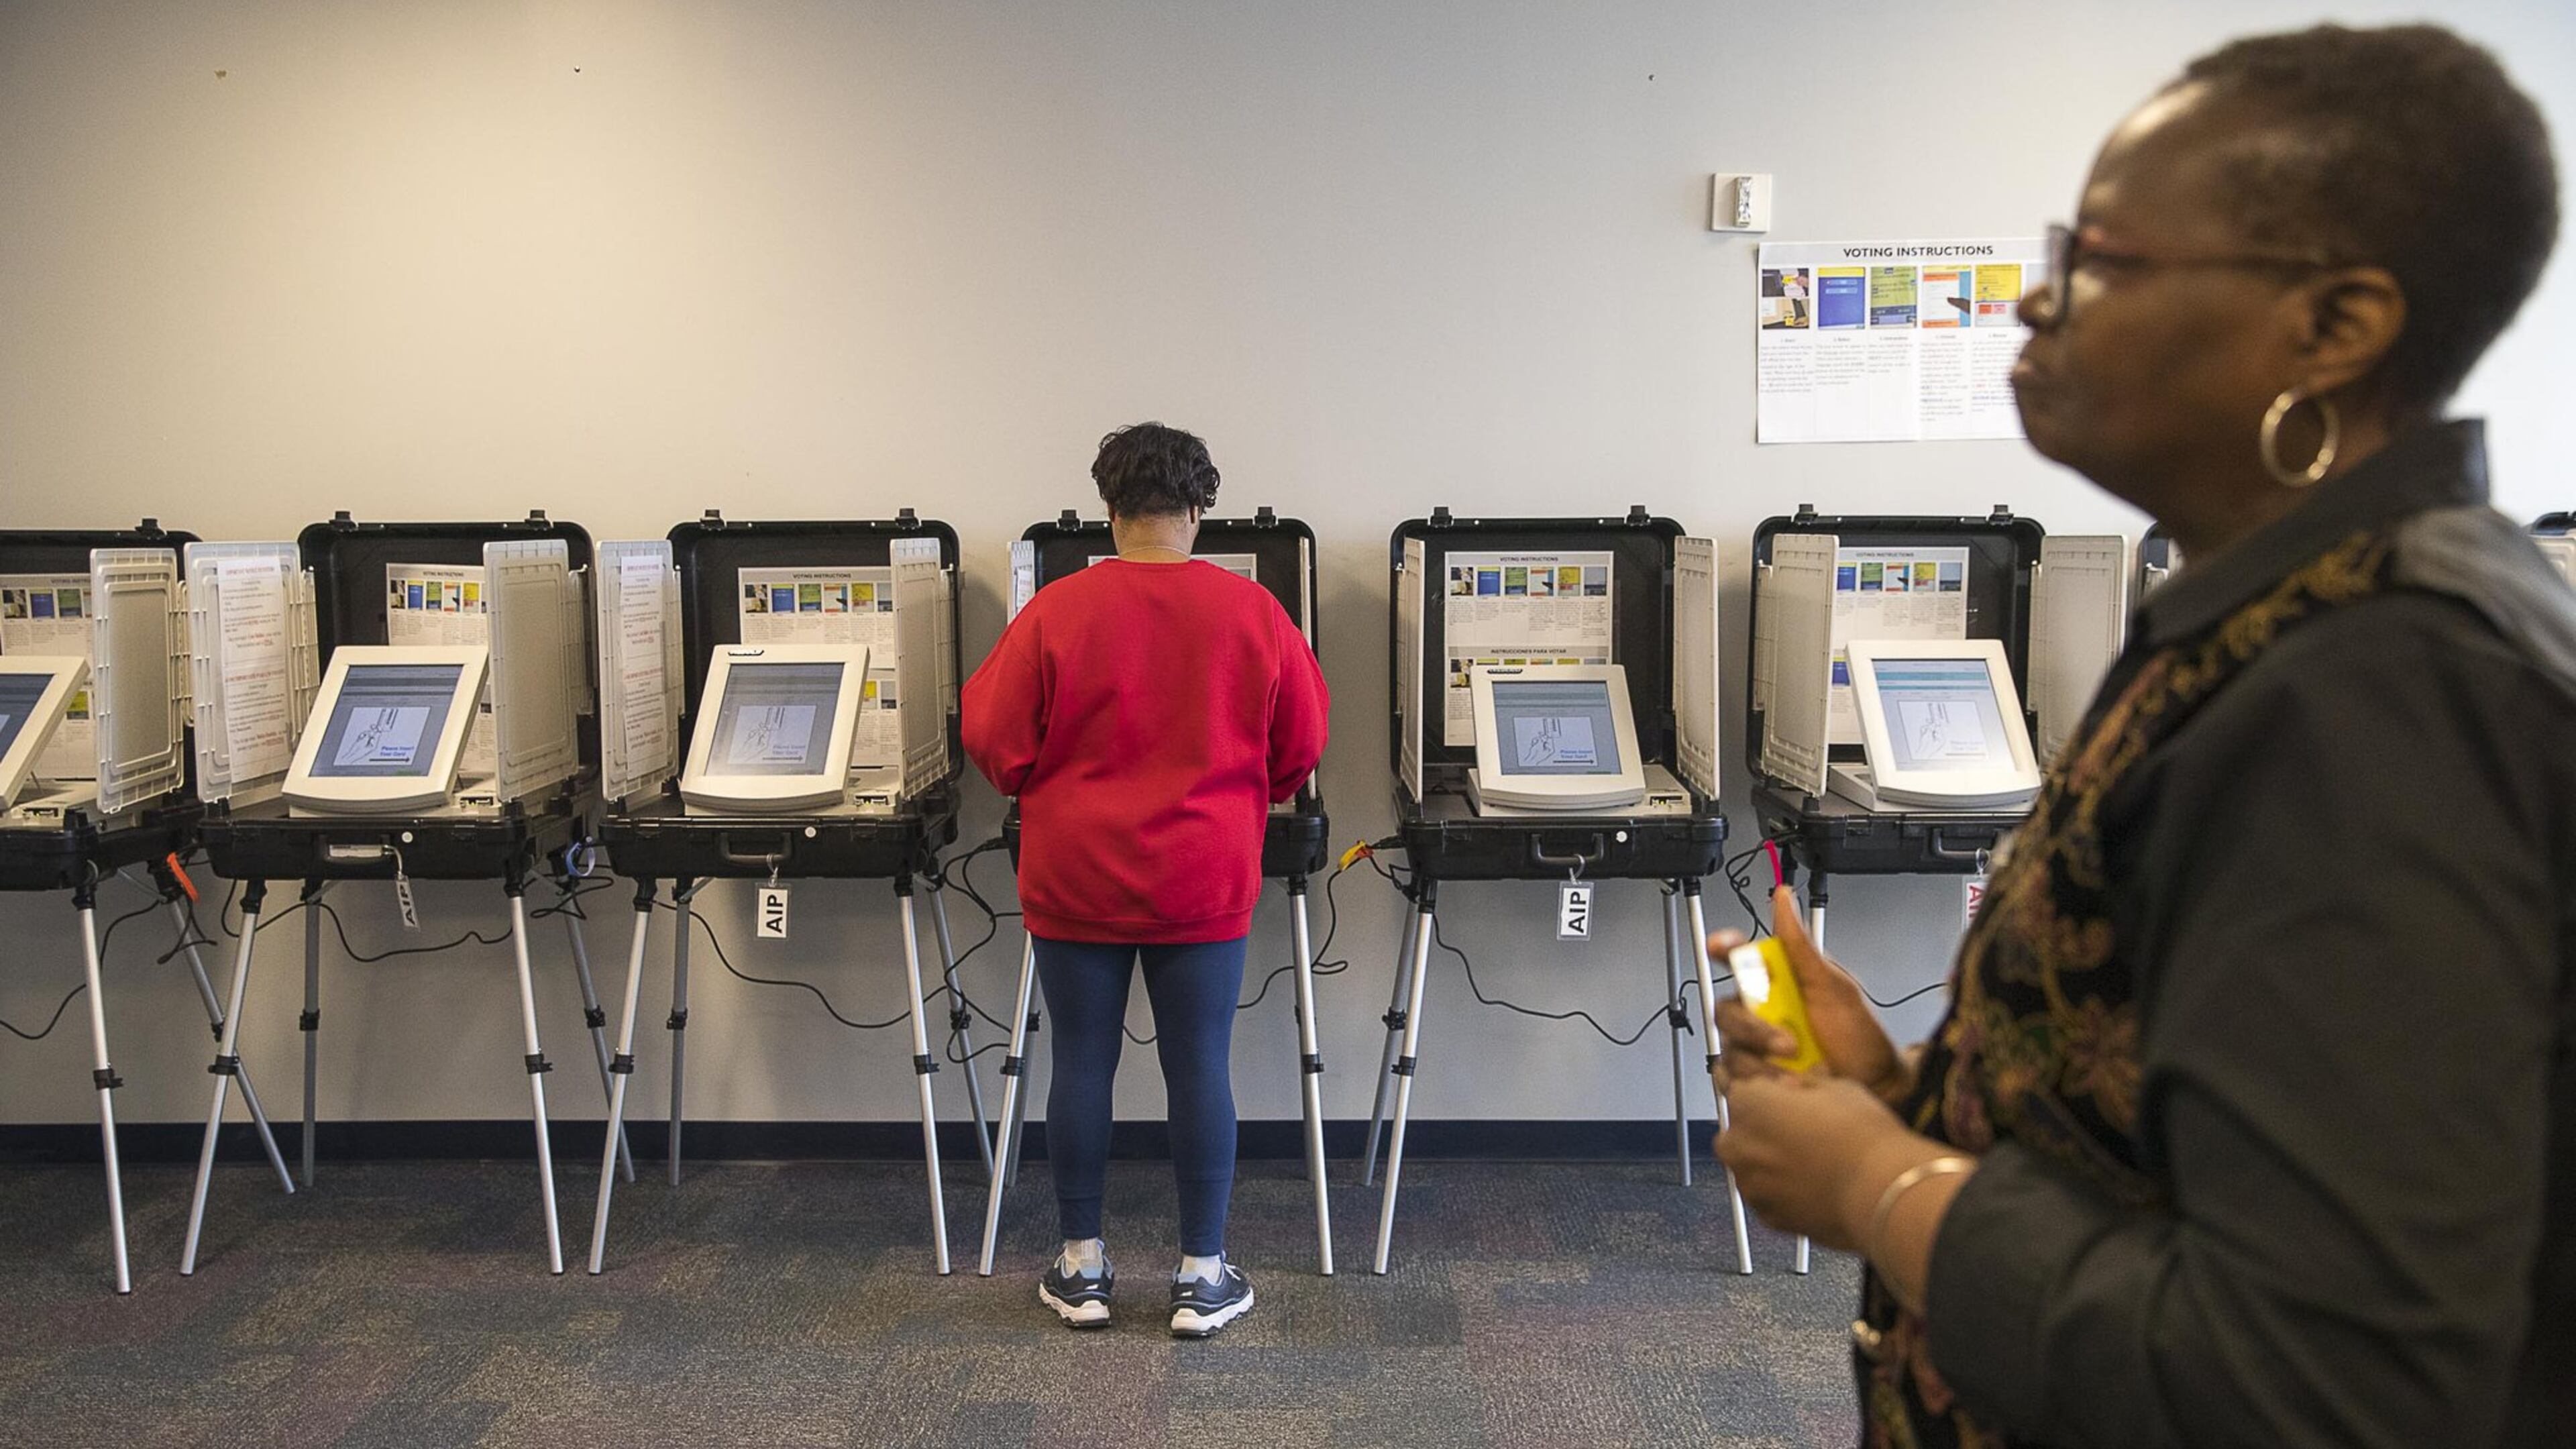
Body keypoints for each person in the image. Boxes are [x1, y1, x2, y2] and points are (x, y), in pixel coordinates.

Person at [1709, 23, 2573, 1448]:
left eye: (2098, 265)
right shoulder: (2290, 616)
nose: (2038, 312)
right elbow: (2185, 1144)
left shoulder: (2381, 685)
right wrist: (1917, 1091)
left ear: (2337, 326)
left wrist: (1880, 1183)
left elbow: (2334, 1378)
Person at [962, 422, 1329, 1337]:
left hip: (1077, 873)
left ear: (1109, 511)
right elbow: (1303, 744)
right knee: (1199, 1062)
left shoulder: (1054, 612)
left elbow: (996, 743)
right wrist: (1248, 793)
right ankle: (1203, 1275)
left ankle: (1082, 1269)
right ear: (1200, 511)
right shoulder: (1252, 613)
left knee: (1081, 1060)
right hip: (1203, 873)